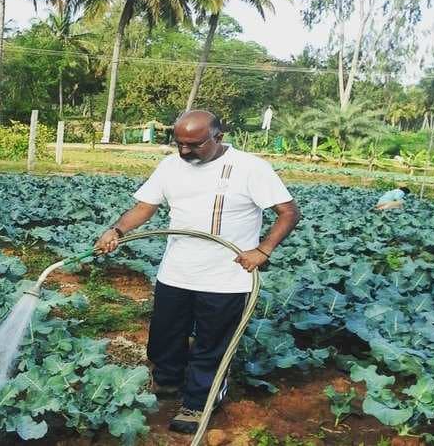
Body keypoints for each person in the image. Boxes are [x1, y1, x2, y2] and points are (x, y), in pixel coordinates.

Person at [95, 110, 300, 434]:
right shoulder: (171, 166)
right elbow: (145, 206)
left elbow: (288, 212)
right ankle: (167, 382)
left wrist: (263, 250)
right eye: (179, 144)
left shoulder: (250, 168)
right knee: (165, 336)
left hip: (226, 278)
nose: (185, 152)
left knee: (211, 343)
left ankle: (200, 400)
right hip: (176, 272)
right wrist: (116, 230)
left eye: (194, 145)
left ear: (218, 137)